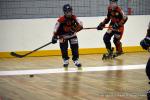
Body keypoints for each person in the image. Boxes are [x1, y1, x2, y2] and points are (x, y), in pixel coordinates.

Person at [51, 4, 83, 70]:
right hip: (63, 37)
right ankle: (65, 60)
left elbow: (81, 24)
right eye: (67, 12)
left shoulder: (74, 18)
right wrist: (54, 36)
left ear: (72, 11)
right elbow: (55, 28)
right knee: (63, 49)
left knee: (75, 49)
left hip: (72, 35)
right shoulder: (60, 20)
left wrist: (74, 30)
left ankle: (76, 60)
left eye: (70, 11)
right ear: (64, 12)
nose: (69, 13)